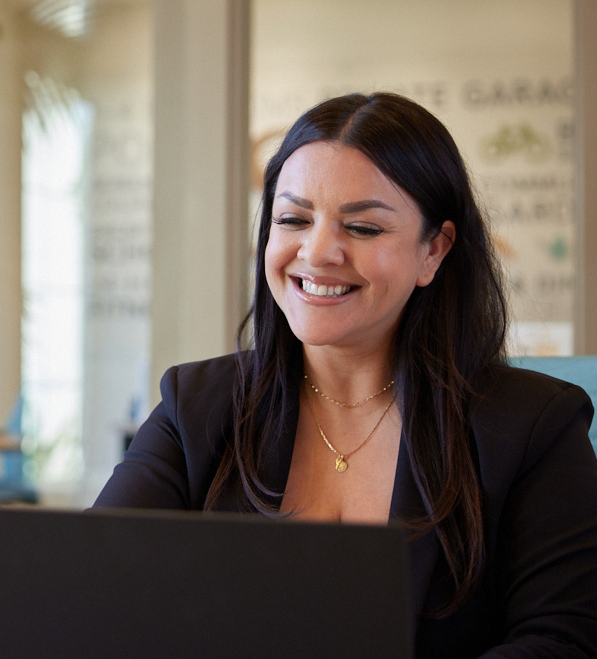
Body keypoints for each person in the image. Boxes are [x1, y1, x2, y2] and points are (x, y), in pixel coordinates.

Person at [94, 92, 597, 657]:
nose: (318, 251)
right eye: (293, 219)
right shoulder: (194, 408)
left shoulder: (537, 428)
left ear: (433, 250)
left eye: (361, 227)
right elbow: (89, 596)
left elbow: (563, 642)